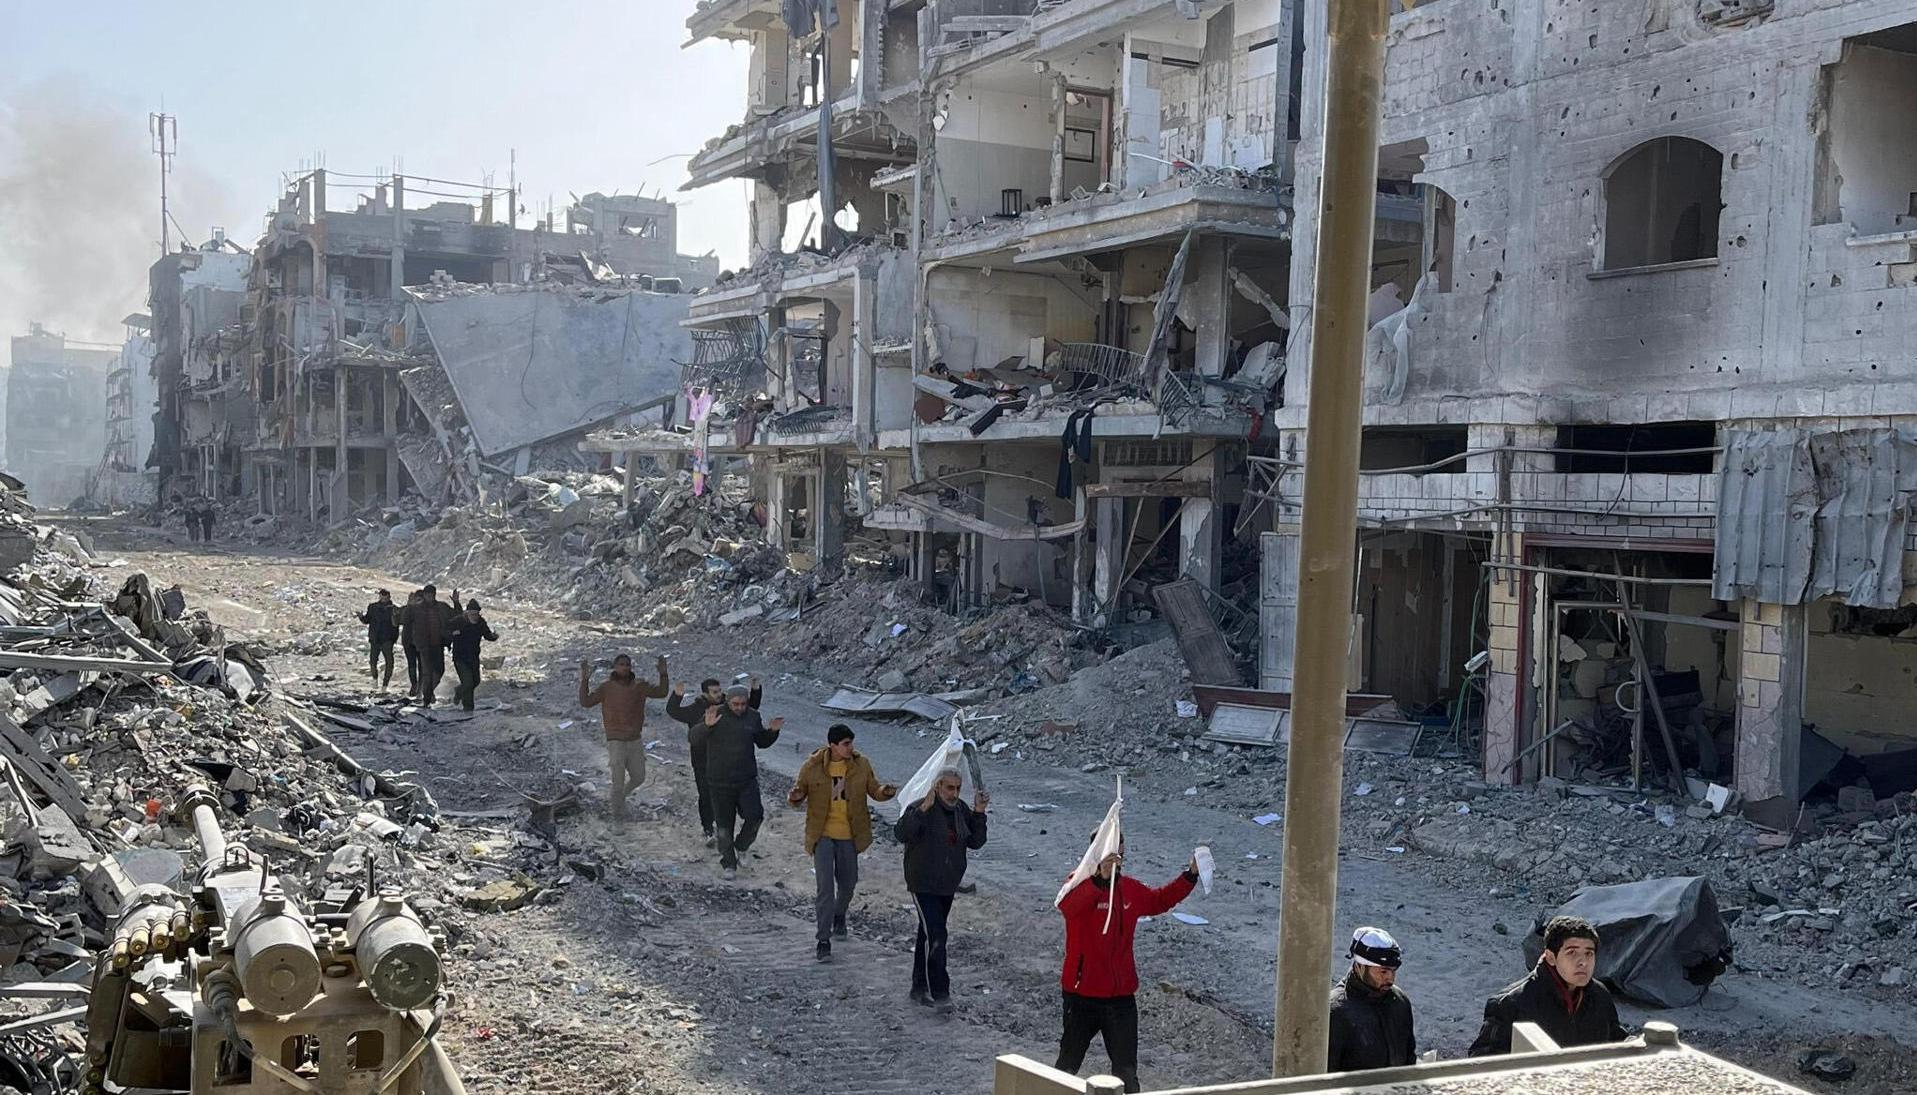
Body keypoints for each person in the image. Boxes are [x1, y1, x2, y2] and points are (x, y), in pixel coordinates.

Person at [1053, 838, 1197, 1091]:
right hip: (1081, 996)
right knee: (1067, 1066)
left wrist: (1190, 875)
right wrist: (1099, 880)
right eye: (1110, 852)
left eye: (1120, 853)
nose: (1116, 859)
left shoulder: (1127, 889)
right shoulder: (1078, 883)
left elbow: (1158, 900)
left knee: (1126, 1073)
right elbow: (1068, 907)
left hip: (1120, 998)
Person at [787, 724, 896, 962]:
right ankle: (823, 940)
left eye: (851, 743)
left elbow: (874, 790)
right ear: (833, 745)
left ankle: (840, 914)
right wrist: (794, 797)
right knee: (824, 889)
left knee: (848, 883)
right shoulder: (812, 766)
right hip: (822, 835)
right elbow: (798, 793)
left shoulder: (861, 765)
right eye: (845, 744)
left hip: (850, 835)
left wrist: (885, 792)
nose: (850, 748)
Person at [894, 768, 988, 1011]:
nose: (954, 793)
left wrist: (979, 812)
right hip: (922, 883)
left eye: (957, 788)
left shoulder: (960, 810)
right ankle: (939, 993)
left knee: (927, 934)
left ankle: (918, 987)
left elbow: (976, 842)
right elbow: (902, 833)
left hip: (947, 884)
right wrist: (922, 810)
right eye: (949, 788)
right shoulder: (920, 807)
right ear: (937, 787)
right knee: (937, 936)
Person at [1468, 916, 1626, 1057]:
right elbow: (1483, 1063)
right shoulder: (1512, 1004)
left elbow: (1618, 1044)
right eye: (1572, 953)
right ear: (1551, 957)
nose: (1583, 962)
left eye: (1589, 953)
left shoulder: (1600, 996)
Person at [698, 687, 784, 879]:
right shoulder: (715, 714)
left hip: (746, 780)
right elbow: (694, 738)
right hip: (719, 781)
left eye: (743, 704)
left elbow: (761, 741)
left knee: (755, 817)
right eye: (735, 704)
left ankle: (742, 846)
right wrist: (707, 726)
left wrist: (773, 732)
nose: (739, 708)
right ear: (727, 701)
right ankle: (729, 864)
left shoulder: (752, 717)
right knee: (723, 827)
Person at [668, 675, 760, 846]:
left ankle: (725, 830)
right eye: (715, 692)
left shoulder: (726, 707)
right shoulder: (695, 710)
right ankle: (708, 829)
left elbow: (749, 710)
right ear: (705, 693)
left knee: (727, 798)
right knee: (705, 796)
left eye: (719, 691)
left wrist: (755, 690)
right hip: (702, 761)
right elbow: (674, 711)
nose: (719, 695)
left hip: (723, 763)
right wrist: (677, 695)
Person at [578, 653, 670, 822]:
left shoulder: (639, 686)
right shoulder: (606, 688)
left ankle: (619, 799)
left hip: (635, 739)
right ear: (614, 667)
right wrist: (584, 680)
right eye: (621, 664)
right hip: (616, 741)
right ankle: (618, 816)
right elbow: (586, 702)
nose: (625, 667)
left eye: (627, 664)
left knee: (639, 777)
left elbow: (662, 693)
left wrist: (663, 674)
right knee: (618, 781)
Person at [1327, 927, 1416, 1073]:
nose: (1390, 978)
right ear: (1359, 966)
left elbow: (1409, 1058)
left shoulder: (1399, 1002)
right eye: (1383, 971)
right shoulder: (1336, 1012)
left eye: (1393, 970)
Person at [412, 584, 459, 706]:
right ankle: (426, 699)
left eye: (431, 595)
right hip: (424, 646)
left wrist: (456, 603)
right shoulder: (416, 609)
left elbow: (456, 616)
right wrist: (416, 643)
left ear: (434, 595)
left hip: (438, 644)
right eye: (427, 594)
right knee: (427, 673)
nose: (429, 597)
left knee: (439, 671)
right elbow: (406, 624)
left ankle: (428, 692)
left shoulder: (441, 607)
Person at [448, 600, 498, 712]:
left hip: (474, 657)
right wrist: (452, 634)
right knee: (468, 683)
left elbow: (487, 635)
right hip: (460, 658)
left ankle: (459, 691)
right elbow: (446, 629)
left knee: (476, 681)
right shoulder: (459, 621)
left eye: (476, 614)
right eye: (472, 614)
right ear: (467, 613)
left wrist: (494, 637)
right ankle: (468, 708)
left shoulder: (481, 623)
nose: (475, 617)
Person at [357, 589, 401, 689]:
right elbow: (367, 620)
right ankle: (375, 680)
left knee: (389, 664)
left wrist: (393, 639)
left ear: (389, 597)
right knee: (373, 662)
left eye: (386, 597)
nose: (384, 598)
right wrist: (361, 617)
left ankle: (385, 685)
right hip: (375, 640)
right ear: (379, 596)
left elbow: (396, 625)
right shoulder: (373, 607)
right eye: (382, 596)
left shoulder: (393, 609)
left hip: (387, 640)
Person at [396, 591, 426, 699]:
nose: (418, 602)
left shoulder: (426, 611)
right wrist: (409, 606)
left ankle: (421, 689)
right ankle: (414, 685)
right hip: (408, 641)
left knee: (422, 666)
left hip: (422, 642)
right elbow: (400, 621)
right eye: (415, 599)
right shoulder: (407, 609)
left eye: (420, 600)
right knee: (412, 665)